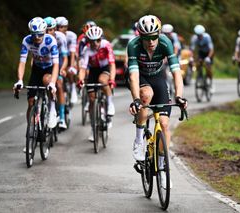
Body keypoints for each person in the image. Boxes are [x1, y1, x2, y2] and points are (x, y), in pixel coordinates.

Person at [127, 15, 188, 188]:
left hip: (159, 78)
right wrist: (136, 100)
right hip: (141, 77)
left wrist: (179, 96)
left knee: (164, 123)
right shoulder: (133, 45)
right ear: (140, 36)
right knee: (146, 95)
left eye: (154, 36)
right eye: (146, 37)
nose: (151, 41)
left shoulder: (165, 43)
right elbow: (133, 75)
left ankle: (162, 167)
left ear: (159, 33)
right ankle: (139, 139)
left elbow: (176, 72)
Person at [13, 17, 59, 151]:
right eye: (34, 35)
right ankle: (30, 133)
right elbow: (22, 62)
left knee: (47, 82)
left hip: (49, 68)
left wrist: (53, 83)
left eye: (40, 34)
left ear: (44, 32)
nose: (37, 37)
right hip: (37, 69)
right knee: (31, 101)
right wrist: (20, 80)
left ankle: (51, 109)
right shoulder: (27, 40)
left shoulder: (51, 41)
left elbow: (56, 64)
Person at [77, 26, 116, 142]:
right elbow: (83, 68)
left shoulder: (106, 45)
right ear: (88, 41)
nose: (95, 43)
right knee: (92, 99)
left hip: (105, 68)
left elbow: (112, 64)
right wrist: (81, 80)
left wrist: (112, 79)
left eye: (98, 40)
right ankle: (93, 129)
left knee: (103, 81)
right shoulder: (86, 50)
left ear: (101, 39)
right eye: (92, 41)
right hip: (93, 70)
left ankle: (109, 104)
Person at [44, 16, 69, 129]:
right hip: (44, 64)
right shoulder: (41, 38)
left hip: (57, 62)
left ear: (55, 29)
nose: (49, 32)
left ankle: (62, 118)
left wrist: (62, 69)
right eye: (47, 30)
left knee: (58, 85)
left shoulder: (61, 37)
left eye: (51, 29)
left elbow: (65, 58)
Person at [56, 16, 78, 104]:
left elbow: (72, 52)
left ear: (66, 28)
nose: (58, 29)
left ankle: (73, 88)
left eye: (61, 27)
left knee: (70, 71)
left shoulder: (71, 36)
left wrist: (71, 66)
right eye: (57, 27)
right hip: (58, 56)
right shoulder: (55, 35)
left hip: (69, 56)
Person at [190, 24, 215, 92]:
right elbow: (192, 49)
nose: (199, 37)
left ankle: (211, 83)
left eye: (200, 35)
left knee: (208, 68)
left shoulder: (207, 37)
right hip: (201, 53)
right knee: (198, 64)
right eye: (198, 35)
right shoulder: (194, 38)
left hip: (208, 53)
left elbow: (211, 49)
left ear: (203, 34)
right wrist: (191, 57)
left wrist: (208, 57)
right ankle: (200, 77)